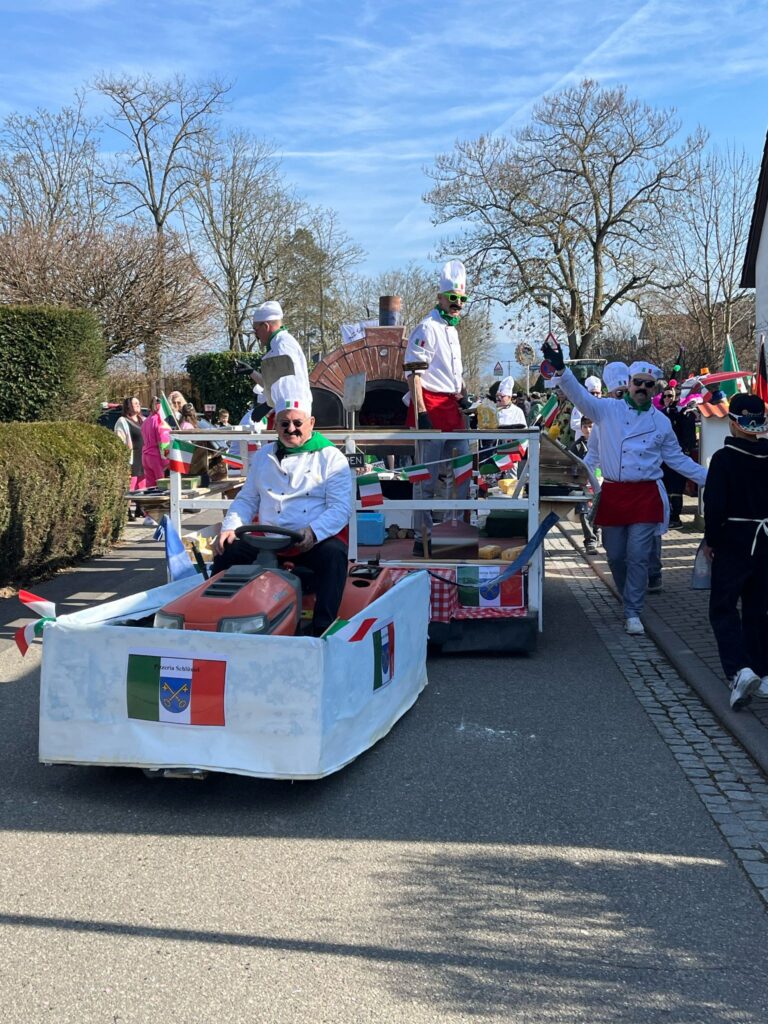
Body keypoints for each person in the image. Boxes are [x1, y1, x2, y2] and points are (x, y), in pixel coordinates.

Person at [543, 341, 707, 635]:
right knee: (615, 555)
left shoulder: (661, 422)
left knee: (639, 555)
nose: (641, 388)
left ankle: (633, 610)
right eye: (637, 383)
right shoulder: (607, 410)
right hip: (615, 493)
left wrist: (714, 477)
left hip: (645, 495)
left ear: (654, 389)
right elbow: (579, 396)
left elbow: (678, 460)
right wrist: (562, 369)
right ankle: (626, 597)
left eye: (648, 385)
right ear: (629, 384)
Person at [212, 377, 351, 636]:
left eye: (297, 423)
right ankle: (214, 617)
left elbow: (340, 508)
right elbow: (247, 499)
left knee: (334, 555)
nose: (291, 429)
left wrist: (313, 531)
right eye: (284, 423)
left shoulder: (332, 458)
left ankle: (323, 629)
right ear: (275, 425)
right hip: (267, 539)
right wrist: (230, 527)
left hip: (310, 541)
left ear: (311, 423)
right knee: (226, 550)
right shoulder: (263, 456)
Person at [703, 394, 768, 710]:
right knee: (759, 610)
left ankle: (739, 670)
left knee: (723, 608)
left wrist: (711, 541)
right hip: (766, 541)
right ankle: (763, 672)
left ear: (733, 423)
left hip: (734, 540)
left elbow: (714, 506)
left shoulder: (724, 459)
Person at [403, 259, 470, 556]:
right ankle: (423, 536)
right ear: (440, 297)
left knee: (462, 472)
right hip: (430, 403)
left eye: (462, 299)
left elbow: (453, 371)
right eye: (452, 298)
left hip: (452, 406)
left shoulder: (453, 330)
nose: (457, 304)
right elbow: (413, 372)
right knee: (426, 477)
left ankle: (456, 531)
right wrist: (421, 412)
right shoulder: (426, 327)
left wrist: (464, 394)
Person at [235, 301, 310, 417]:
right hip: (287, 411)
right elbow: (274, 385)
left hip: (293, 413)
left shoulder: (282, 345)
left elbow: (288, 384)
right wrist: (251, 372)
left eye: (256, 330)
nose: (256, 335)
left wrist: (267, 405)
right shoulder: (278, 344)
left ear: (266, 326)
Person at [659, 385, 697, 528]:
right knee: (665, 488)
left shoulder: (683, 414)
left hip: (677, 456)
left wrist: (685, 452)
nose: (667, 398)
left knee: (676, 489)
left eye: (670, 395)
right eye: (665, 396)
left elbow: (688, 436)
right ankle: (666, 517)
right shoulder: (659, 414)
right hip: (662, 458)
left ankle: (675, 518)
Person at [570, 416, 599, 555]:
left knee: (599, 511)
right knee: (584, 512)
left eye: (591, 426)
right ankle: (590, 540)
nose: (588, 429)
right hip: (584, 485)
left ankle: (597, 531)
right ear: (581, 428)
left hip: (601, 483)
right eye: (585, 426)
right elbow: (571, 465)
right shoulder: (577, 446)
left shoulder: (603, 443)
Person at [114, 396, 145, 493]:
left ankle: (141, 504)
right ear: (128, 406)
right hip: (132, 460)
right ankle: (128, 503)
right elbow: (119, 441)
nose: (138, 405)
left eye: (139, 403)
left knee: (143, 489)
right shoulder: (122, 421)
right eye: (135, 403)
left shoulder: (143, 420)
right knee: (130, 490)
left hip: (143, 459)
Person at [140, 397, 171, 489]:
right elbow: (163, 442)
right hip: (156, 457)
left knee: (150, 487)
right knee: (161, 486)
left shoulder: (146, 421)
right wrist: (166, 460)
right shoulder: (159, 421)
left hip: (145, 456)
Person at [570, 375, 602, 441]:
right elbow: (574, 424)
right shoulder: (579, 406)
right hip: (582, 442)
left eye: (597, 393)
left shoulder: (604, 407)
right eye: (592, 393)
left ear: (601, 393)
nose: (595, 395)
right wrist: (589, 424)